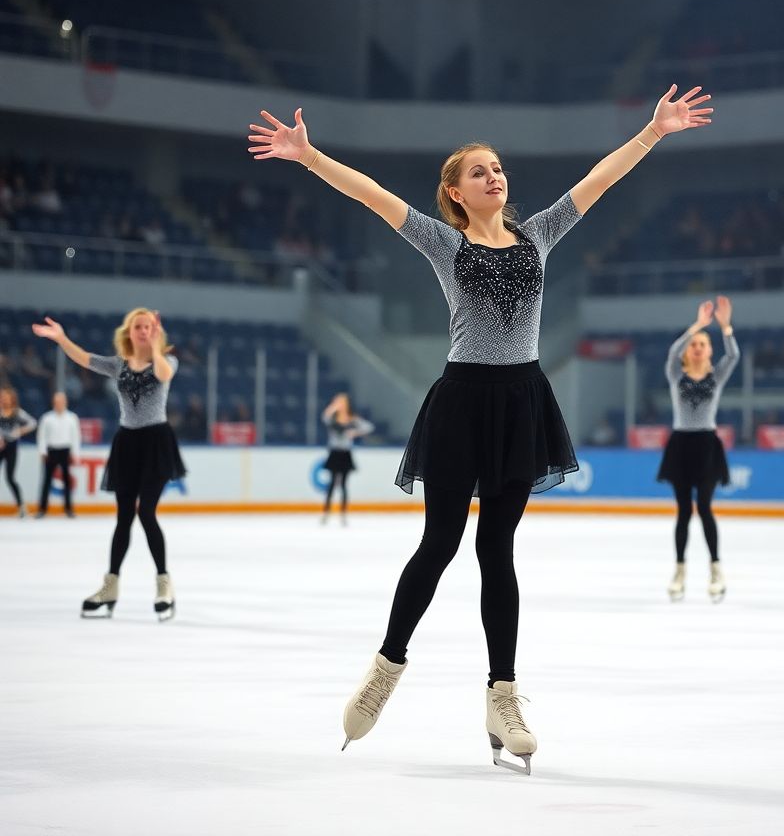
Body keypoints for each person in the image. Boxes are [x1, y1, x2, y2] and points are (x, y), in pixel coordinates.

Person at [248, 83, 713, 774]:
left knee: (498, 550)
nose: (495, 175)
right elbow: (373, 195)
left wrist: (652, 132)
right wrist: (310, 157)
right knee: (439, 542)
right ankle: (385, 667)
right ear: (456, 193)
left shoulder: (540, 234)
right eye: (479, 171)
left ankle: (503, 693)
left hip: (522, 401)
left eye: (498, 168)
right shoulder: (443, 243)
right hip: (464, 401)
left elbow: (597, 181)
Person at [31, 309, 186, 620]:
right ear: (128, 332)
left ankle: (164, 584)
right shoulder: (118, 365)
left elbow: (165, 375)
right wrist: (61, 338)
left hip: (156, 442)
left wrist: (155, 345)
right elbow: (85, 358)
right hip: (127, 443)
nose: (143, 330)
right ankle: (110, 586)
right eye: (137, 327)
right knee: (124, 516)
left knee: (147, 512)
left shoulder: (166, 360)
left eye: (147, 326)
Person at [658, 297, 739, 603]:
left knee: (704, 508)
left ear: (709, 352)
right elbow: (671, 352)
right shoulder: (676, 375)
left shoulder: (716, 377)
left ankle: (716, 569)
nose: (696, 347)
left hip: (706, 446)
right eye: (694, 344)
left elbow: (733, 356)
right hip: (681, 446)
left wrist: (725, 327)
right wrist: (697, 326)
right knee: (682, 512)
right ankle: (679, 570)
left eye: (703, 344)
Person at [321, 393, 374, 526]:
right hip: (334, 452)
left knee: (344, 484)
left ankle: (343, 514)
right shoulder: (333, 418)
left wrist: (355, 433)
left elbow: (368, 427)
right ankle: (326, 512)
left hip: (345, 453)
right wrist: (333, 407)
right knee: (332, 484)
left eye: (342, 402)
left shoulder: (352, 419)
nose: (341, 404)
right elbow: (325, 418)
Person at [36, 391, 81, 518]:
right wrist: (42, 451)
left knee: (67, 481)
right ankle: (42, 509)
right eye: (57, 401)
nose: (59, 403)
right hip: (51, 451)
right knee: (46, 480)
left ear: (65, 402)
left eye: (61, 401)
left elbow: (75, 437)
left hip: (65, 451)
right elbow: (42, 437)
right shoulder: (47, 418)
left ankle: (68, 509)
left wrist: (75, 454)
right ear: (53, 402)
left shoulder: (72, 418)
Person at [0, 386, 36, 518]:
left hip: (11, 447)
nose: (4, 400)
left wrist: (20, 431)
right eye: (2, 397)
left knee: (10, 477)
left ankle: (21, 506)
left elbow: (32, 423)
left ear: (12, 399)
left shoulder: (17, 413)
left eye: (6, 398)